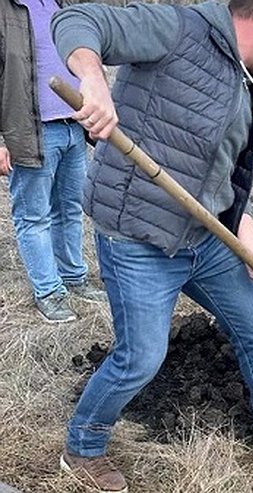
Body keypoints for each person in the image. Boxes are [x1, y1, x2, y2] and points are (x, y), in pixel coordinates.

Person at [51, 0, 253, 490]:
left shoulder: (251, 85)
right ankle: (84, 445)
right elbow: (77, 20)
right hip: (139, 236)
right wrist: (93, 79)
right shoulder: (176, 28)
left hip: (204, 240)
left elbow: (226, 180)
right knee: (140, 357)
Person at [0, 0, 106, 323]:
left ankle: (74, 277)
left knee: (71, 208)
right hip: (30, 130)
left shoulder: (61, 4)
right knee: (34, 216)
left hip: (73, 125)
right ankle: (49, 292)